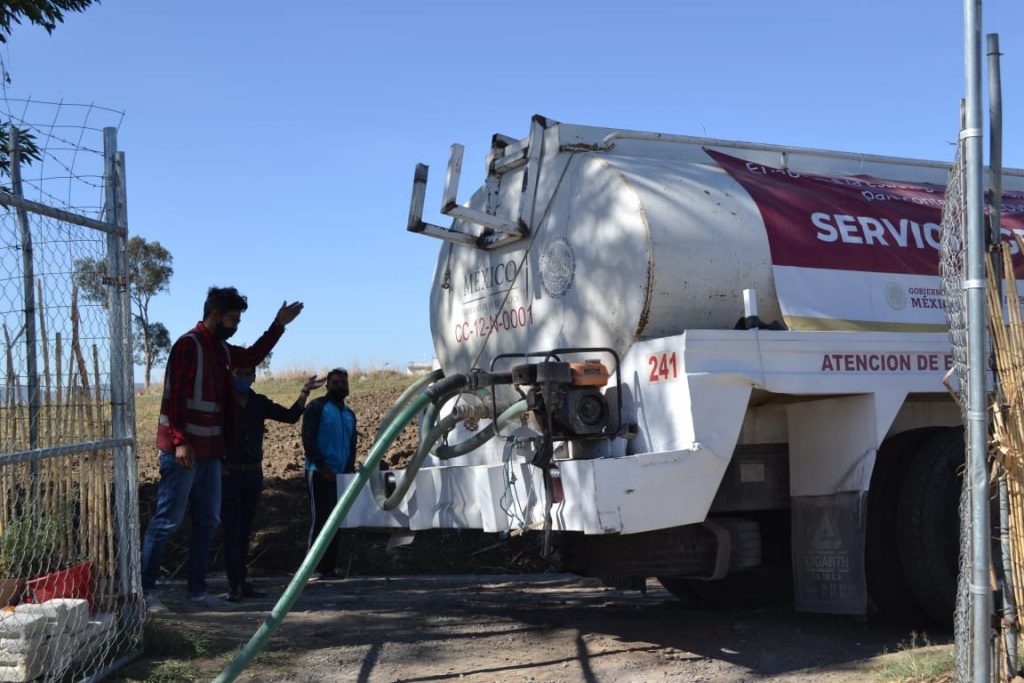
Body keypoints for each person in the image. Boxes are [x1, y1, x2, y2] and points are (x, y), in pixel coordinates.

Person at [140, 286, 303, 605]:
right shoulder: (189, 345)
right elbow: (175, 397)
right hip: (184, 452)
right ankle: (145, 593)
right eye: (233, 319)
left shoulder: (222, 350)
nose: (236, 326)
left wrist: (278, 326)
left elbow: (252, 356)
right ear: (214, 315)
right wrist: (180, 441)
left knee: (208, 521)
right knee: (168, 520)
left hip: (211, 454)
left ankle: (197, 592)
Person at [221, 368, 325, 601]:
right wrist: (218, 463)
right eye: (238, 373)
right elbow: (211, 433)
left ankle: (242, 582)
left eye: (246, 374)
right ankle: (234, 584)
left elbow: (290, 416)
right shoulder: (222, 403)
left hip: (253, 474)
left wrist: (304, 392)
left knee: (245, 530)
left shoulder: (259, 403)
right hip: (229, 474)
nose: (242, 378)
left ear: (253, 378)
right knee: (232, 531)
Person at [301, 368, 357, 580]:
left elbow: (352, 446)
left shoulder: (349, 415)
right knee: (320, 519)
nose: (340, 386)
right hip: (318, 472)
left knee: (335, 522)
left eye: (343, 383)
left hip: (341, 475)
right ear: (327, 385)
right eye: (335, 383)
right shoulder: (317, 407)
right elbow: (308, 439)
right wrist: (324, 468)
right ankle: (311, 568)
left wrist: (348, 472)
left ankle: (329, 568)